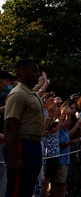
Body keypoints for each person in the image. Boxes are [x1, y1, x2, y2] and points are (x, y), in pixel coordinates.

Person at [5, 59, 45, 197]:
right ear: (20, 72)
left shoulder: (30, 93)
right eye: (33, 70)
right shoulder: (18, 94)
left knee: (27, 187)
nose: (37, 74)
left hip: (34, 144)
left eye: (37, 70)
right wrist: (14, 158)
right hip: (23, 145)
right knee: (17, 189)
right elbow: (10, 126)